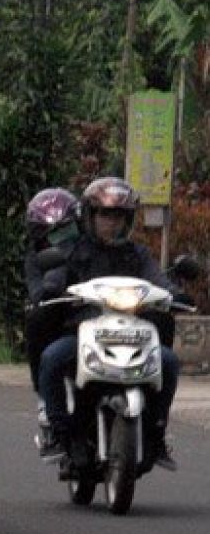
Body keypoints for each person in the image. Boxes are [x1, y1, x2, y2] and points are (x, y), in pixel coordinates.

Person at [36, 177, 180, 471]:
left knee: (169, 361)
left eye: (119, 216)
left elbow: (158, 279)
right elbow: (55, 277)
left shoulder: (138, 254)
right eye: (105, 215)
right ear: (91, 216)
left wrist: (174, 293)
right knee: (51, 359)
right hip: (84, 333)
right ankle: (59, 433)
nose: (112, 223)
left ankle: (157, 430)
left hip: (132, 334)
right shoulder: (74, 251)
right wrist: (52, 287)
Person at [23, 188, 80, 446]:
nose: (58, 239)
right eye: (49, 234)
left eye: (65, 230)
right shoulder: (37, 260)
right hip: (61, 325)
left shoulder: (92, 248)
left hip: (99, 318)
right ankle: (46, 398)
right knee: (36, 319)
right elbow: (38, 293)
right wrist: (51, 286)